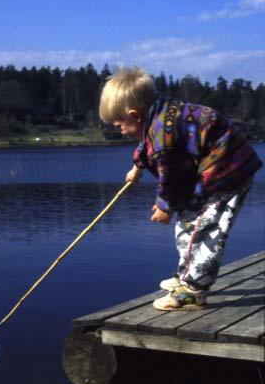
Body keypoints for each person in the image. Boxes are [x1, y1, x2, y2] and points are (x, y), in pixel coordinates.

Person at [99, 67, 263, 310]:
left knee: (204, 229)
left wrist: (166, 207)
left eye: (119, 124)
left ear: (134, 115)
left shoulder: (162, 137)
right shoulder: (158, 112)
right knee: (188, 222)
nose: (119, 130)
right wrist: (138, 167)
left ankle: (194, 290)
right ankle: (187, 274)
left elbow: (173, 177)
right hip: (210, 169)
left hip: (226, 171)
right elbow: (147, 145)